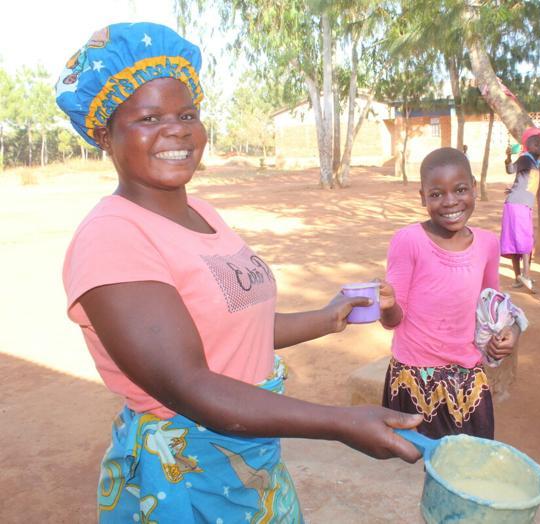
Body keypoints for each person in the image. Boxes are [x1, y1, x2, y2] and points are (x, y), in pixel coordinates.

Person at [56, 23, 421, 523]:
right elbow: (190, 385)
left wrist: (328, 315)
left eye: (187, 114)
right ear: (104, 133)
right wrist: (339, 422)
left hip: (250, 456)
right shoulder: (113, 237)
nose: (178, 129)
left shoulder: (204, 212)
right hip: (188, 471)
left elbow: (234, 326)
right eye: (149, 117)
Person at [378, 147, 525, 439]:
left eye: (459, 190)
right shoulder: (408, 241)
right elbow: (392, 320)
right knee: (424, 462)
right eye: (436, 194)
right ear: (422, 197)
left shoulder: (487, 244)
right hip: (417, 378)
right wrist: (388, 304)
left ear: (473, 186)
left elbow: (492, 306)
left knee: (469, 465)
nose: (450, 202)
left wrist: (509, 331)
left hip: (468, 380)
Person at [501, 129, 540, 292]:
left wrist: (514, 187)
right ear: (528, 147)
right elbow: (512, 170)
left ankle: (518, 277)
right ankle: (525, 275)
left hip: (519, 204)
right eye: (537, 145)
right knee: (525, 240)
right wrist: (508, 158)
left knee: (517, 241)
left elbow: (520, 179)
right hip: (518, 205)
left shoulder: (533, 162)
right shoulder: (526, 159)